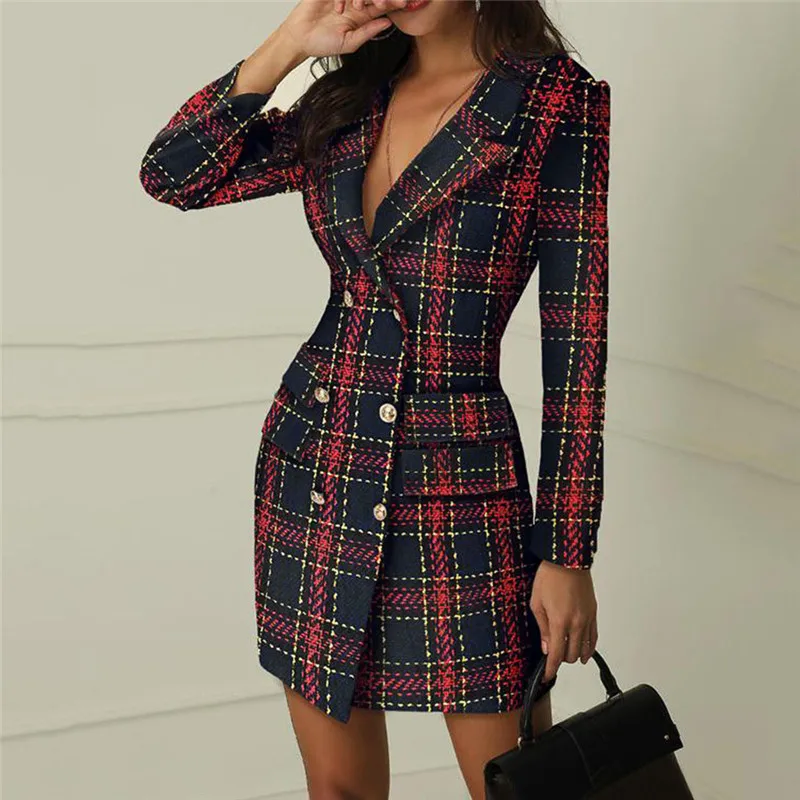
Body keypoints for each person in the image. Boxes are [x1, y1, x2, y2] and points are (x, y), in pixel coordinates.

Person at [139, 0, 611, 797]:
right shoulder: (346, 102)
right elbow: (173, 175)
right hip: (316, 467)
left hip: (461, 490)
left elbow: (578, 338)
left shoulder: (555, 102)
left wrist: (566, 549)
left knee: (518, 785)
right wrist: (291, 43)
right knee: (338, 790)